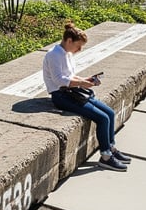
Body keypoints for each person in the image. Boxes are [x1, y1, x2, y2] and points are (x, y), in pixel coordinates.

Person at [42, 22, 131, 172]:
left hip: (73, 92)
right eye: (78, 45)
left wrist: (86, 79)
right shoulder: (53, 55)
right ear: (69, 41)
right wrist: (82, 83)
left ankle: (111, 148)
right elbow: (59, 80)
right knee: (102, 118)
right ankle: (106, 157)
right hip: (61, 95)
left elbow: (70, 76)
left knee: (109, 112)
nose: (79, 49)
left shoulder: (67, 54)